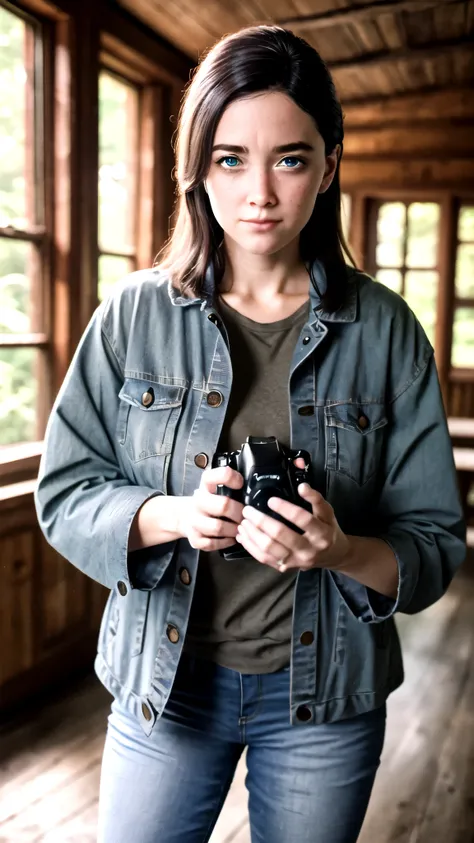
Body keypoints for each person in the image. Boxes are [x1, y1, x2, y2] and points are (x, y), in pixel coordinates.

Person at [35, 24, 466, 843]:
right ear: (196, 168)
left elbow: (435, 543)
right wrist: (176, 516)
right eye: (230, 158)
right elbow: (64, 491)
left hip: (327, 698)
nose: (258, 191)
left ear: (329, 165)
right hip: (165, 688)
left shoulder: (387, 332)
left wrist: (335, 550)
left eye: (290, 158)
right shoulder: (133, 317)